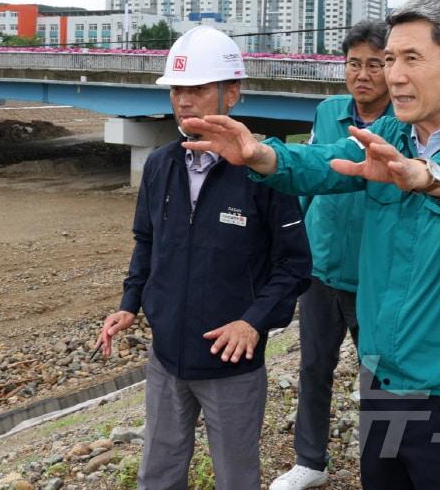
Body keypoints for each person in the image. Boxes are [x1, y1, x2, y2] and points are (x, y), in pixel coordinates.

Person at [182, 0, 440, 489]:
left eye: (411, 59)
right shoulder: (390, 133)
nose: (393, 75)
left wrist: (429, 175)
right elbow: (321, 162)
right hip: (384, 377)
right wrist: (261, 155)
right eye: (390, 59)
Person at [95, 25, 311, 490]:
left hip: (231, 363)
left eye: (195, 88)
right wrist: (130, 304)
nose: (183, 101)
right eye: (177, 89)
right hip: (166, 357)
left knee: (236, 478)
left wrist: (253, 321)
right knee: (158, 473)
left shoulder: (265, 170)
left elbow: (294, 266)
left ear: (231, 93)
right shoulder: (159, 165)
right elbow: (147, 242)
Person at [271, 20, 393, 490]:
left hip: (374, 274)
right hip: (321, 266)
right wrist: (295, 245)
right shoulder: (328, 112)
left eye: (375, 65)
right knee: (314, 366)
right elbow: (309, 177)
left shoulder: (400, 127)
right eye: (354, 64)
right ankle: (310, 461)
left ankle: (381, 465)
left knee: (378, 375)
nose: (363, 75)